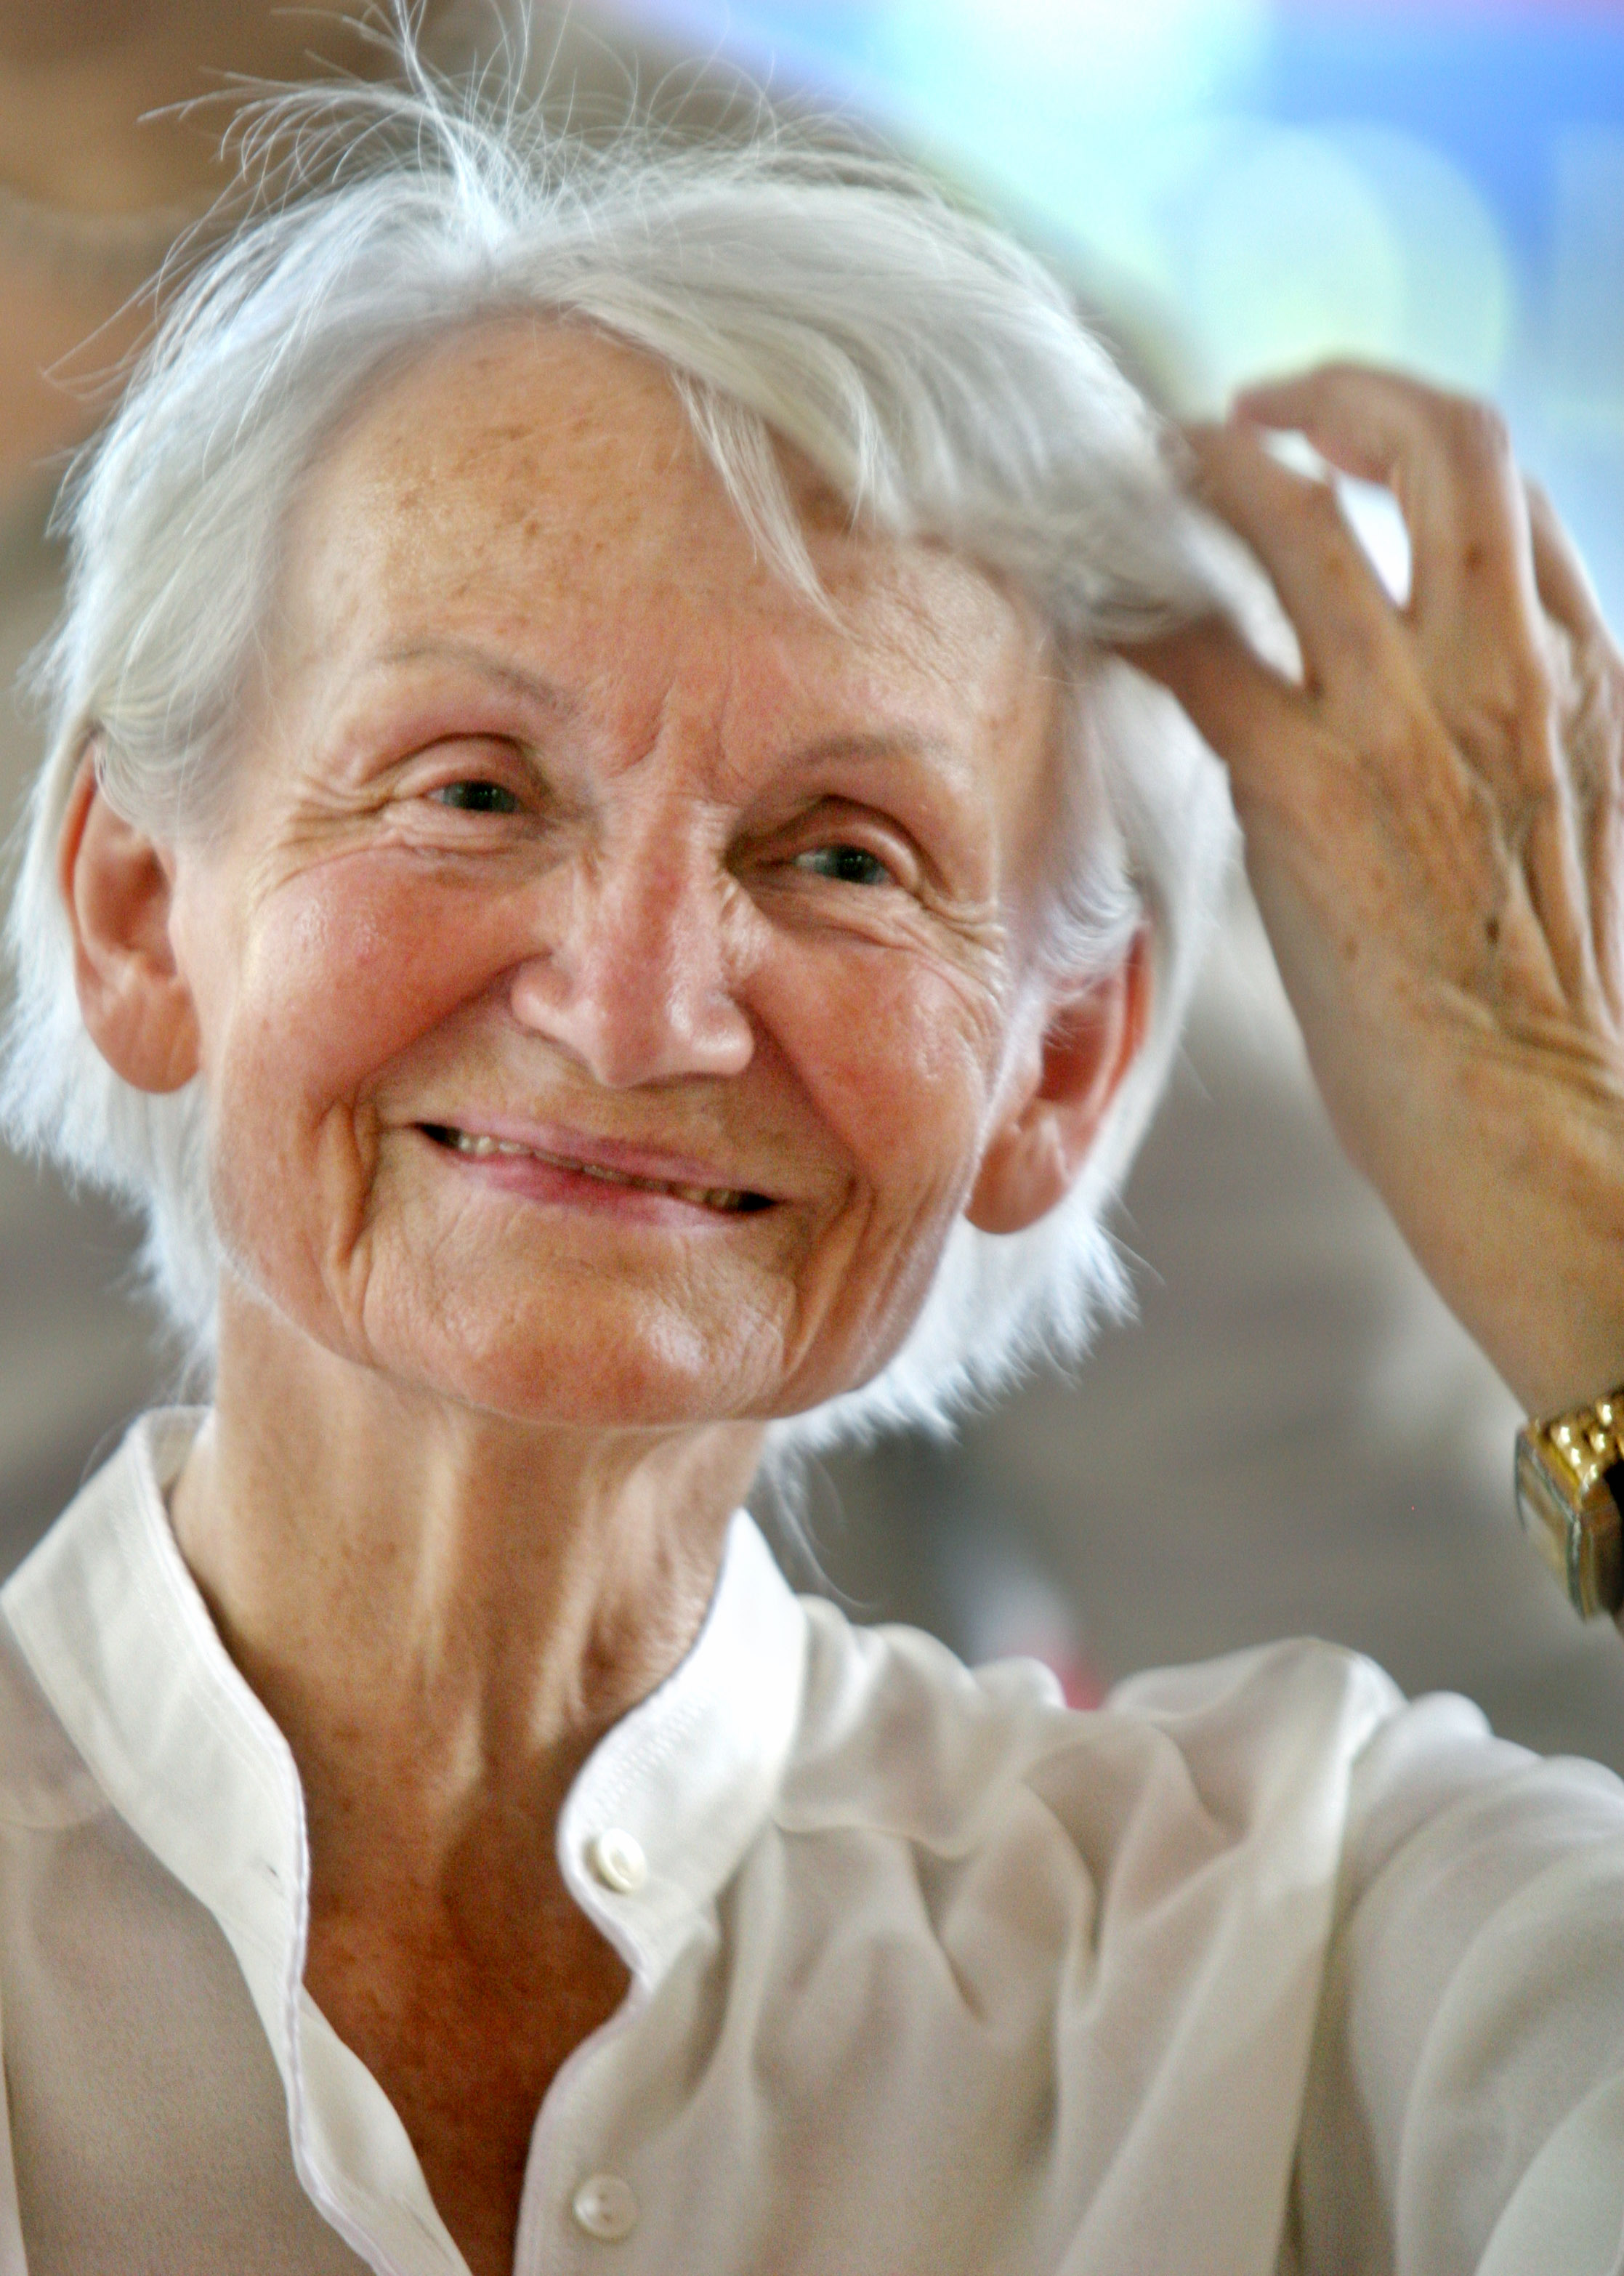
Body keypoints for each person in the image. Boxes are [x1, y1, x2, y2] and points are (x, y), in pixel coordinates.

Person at [1, 39, 1623, 2276]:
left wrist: (1552, 1150)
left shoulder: (1319, 1934)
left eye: (845, 855)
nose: (644, 1001)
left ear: (1058, 1067)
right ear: (129, 908)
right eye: (469, 788)